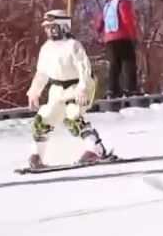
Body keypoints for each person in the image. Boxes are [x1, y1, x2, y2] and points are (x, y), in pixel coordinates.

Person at [27, 9, 112, 169]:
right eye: (47, 28)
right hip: (57, 88)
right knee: (43, 118)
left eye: (52, 27)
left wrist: (83, 87)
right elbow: (42, 73)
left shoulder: (73, 46)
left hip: (77, 86)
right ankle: (37, 155)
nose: (49, 31)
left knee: (73, 116)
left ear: (63, 26)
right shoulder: (46, 48)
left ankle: (95, 149)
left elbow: (84, 69)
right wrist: (34, 91)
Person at [96, 0, 141, 98]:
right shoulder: (124, 3)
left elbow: (99, 23)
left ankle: (112, 90)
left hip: (109, 39)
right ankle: (130, 88)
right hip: (123, 37)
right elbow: (127, 20)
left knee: (114, 65)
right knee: (129, 62)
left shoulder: (108, 5)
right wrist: (133, 36)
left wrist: (100, 33)